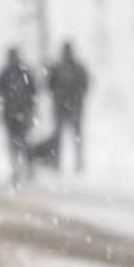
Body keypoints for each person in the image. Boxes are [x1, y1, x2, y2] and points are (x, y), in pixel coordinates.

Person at [0, 46, 39, 186]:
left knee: (18, 142)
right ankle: (23, 168)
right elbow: (34, 92)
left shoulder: (9, 72)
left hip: (14, 112)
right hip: (18, 112)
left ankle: (20, 168)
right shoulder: (19, 72)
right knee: (22, 141)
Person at [47, 41, 92, 173]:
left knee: (71, 137)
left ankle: (72, 162)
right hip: (65, 106)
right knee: (66, 137)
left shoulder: (71, 67)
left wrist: (72, 96)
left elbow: (85, 85)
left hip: (69, 106)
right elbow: (49, 85)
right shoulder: (64, 67)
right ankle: (62, 162)